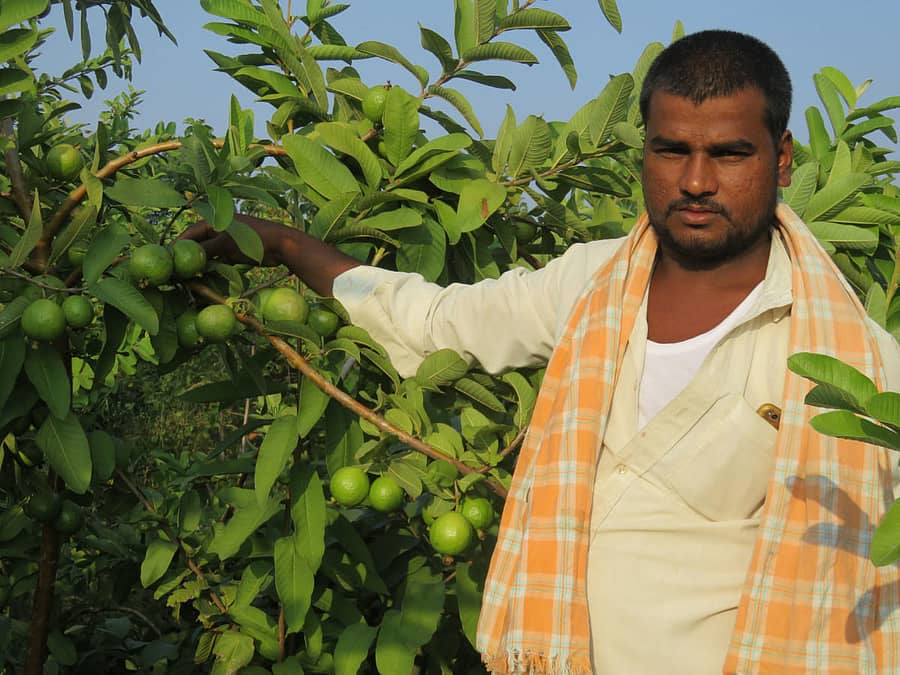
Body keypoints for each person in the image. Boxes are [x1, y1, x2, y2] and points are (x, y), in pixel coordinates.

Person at [185, 30, 900, 674]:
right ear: (643, 152)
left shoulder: (854, 364)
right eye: (672, 149)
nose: (696, 181)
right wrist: (282, 244)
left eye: (729, 153)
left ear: (780, 160)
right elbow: (435, 320)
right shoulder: (589, 284)